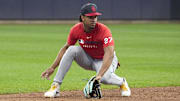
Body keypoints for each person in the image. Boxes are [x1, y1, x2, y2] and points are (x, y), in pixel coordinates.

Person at [41, 3, 131, 98]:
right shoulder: (76, 30)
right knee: (72, 49)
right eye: (90, 17)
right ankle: (56, 86)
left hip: (104, 59)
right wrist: (52, 67)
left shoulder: (104, 30)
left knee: (105, 78)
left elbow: (109, 53)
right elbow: (65, 48)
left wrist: (99, 75)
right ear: (82, 18)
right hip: (88, 58)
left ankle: (122, 82)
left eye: (95, 17)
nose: (94, 20)